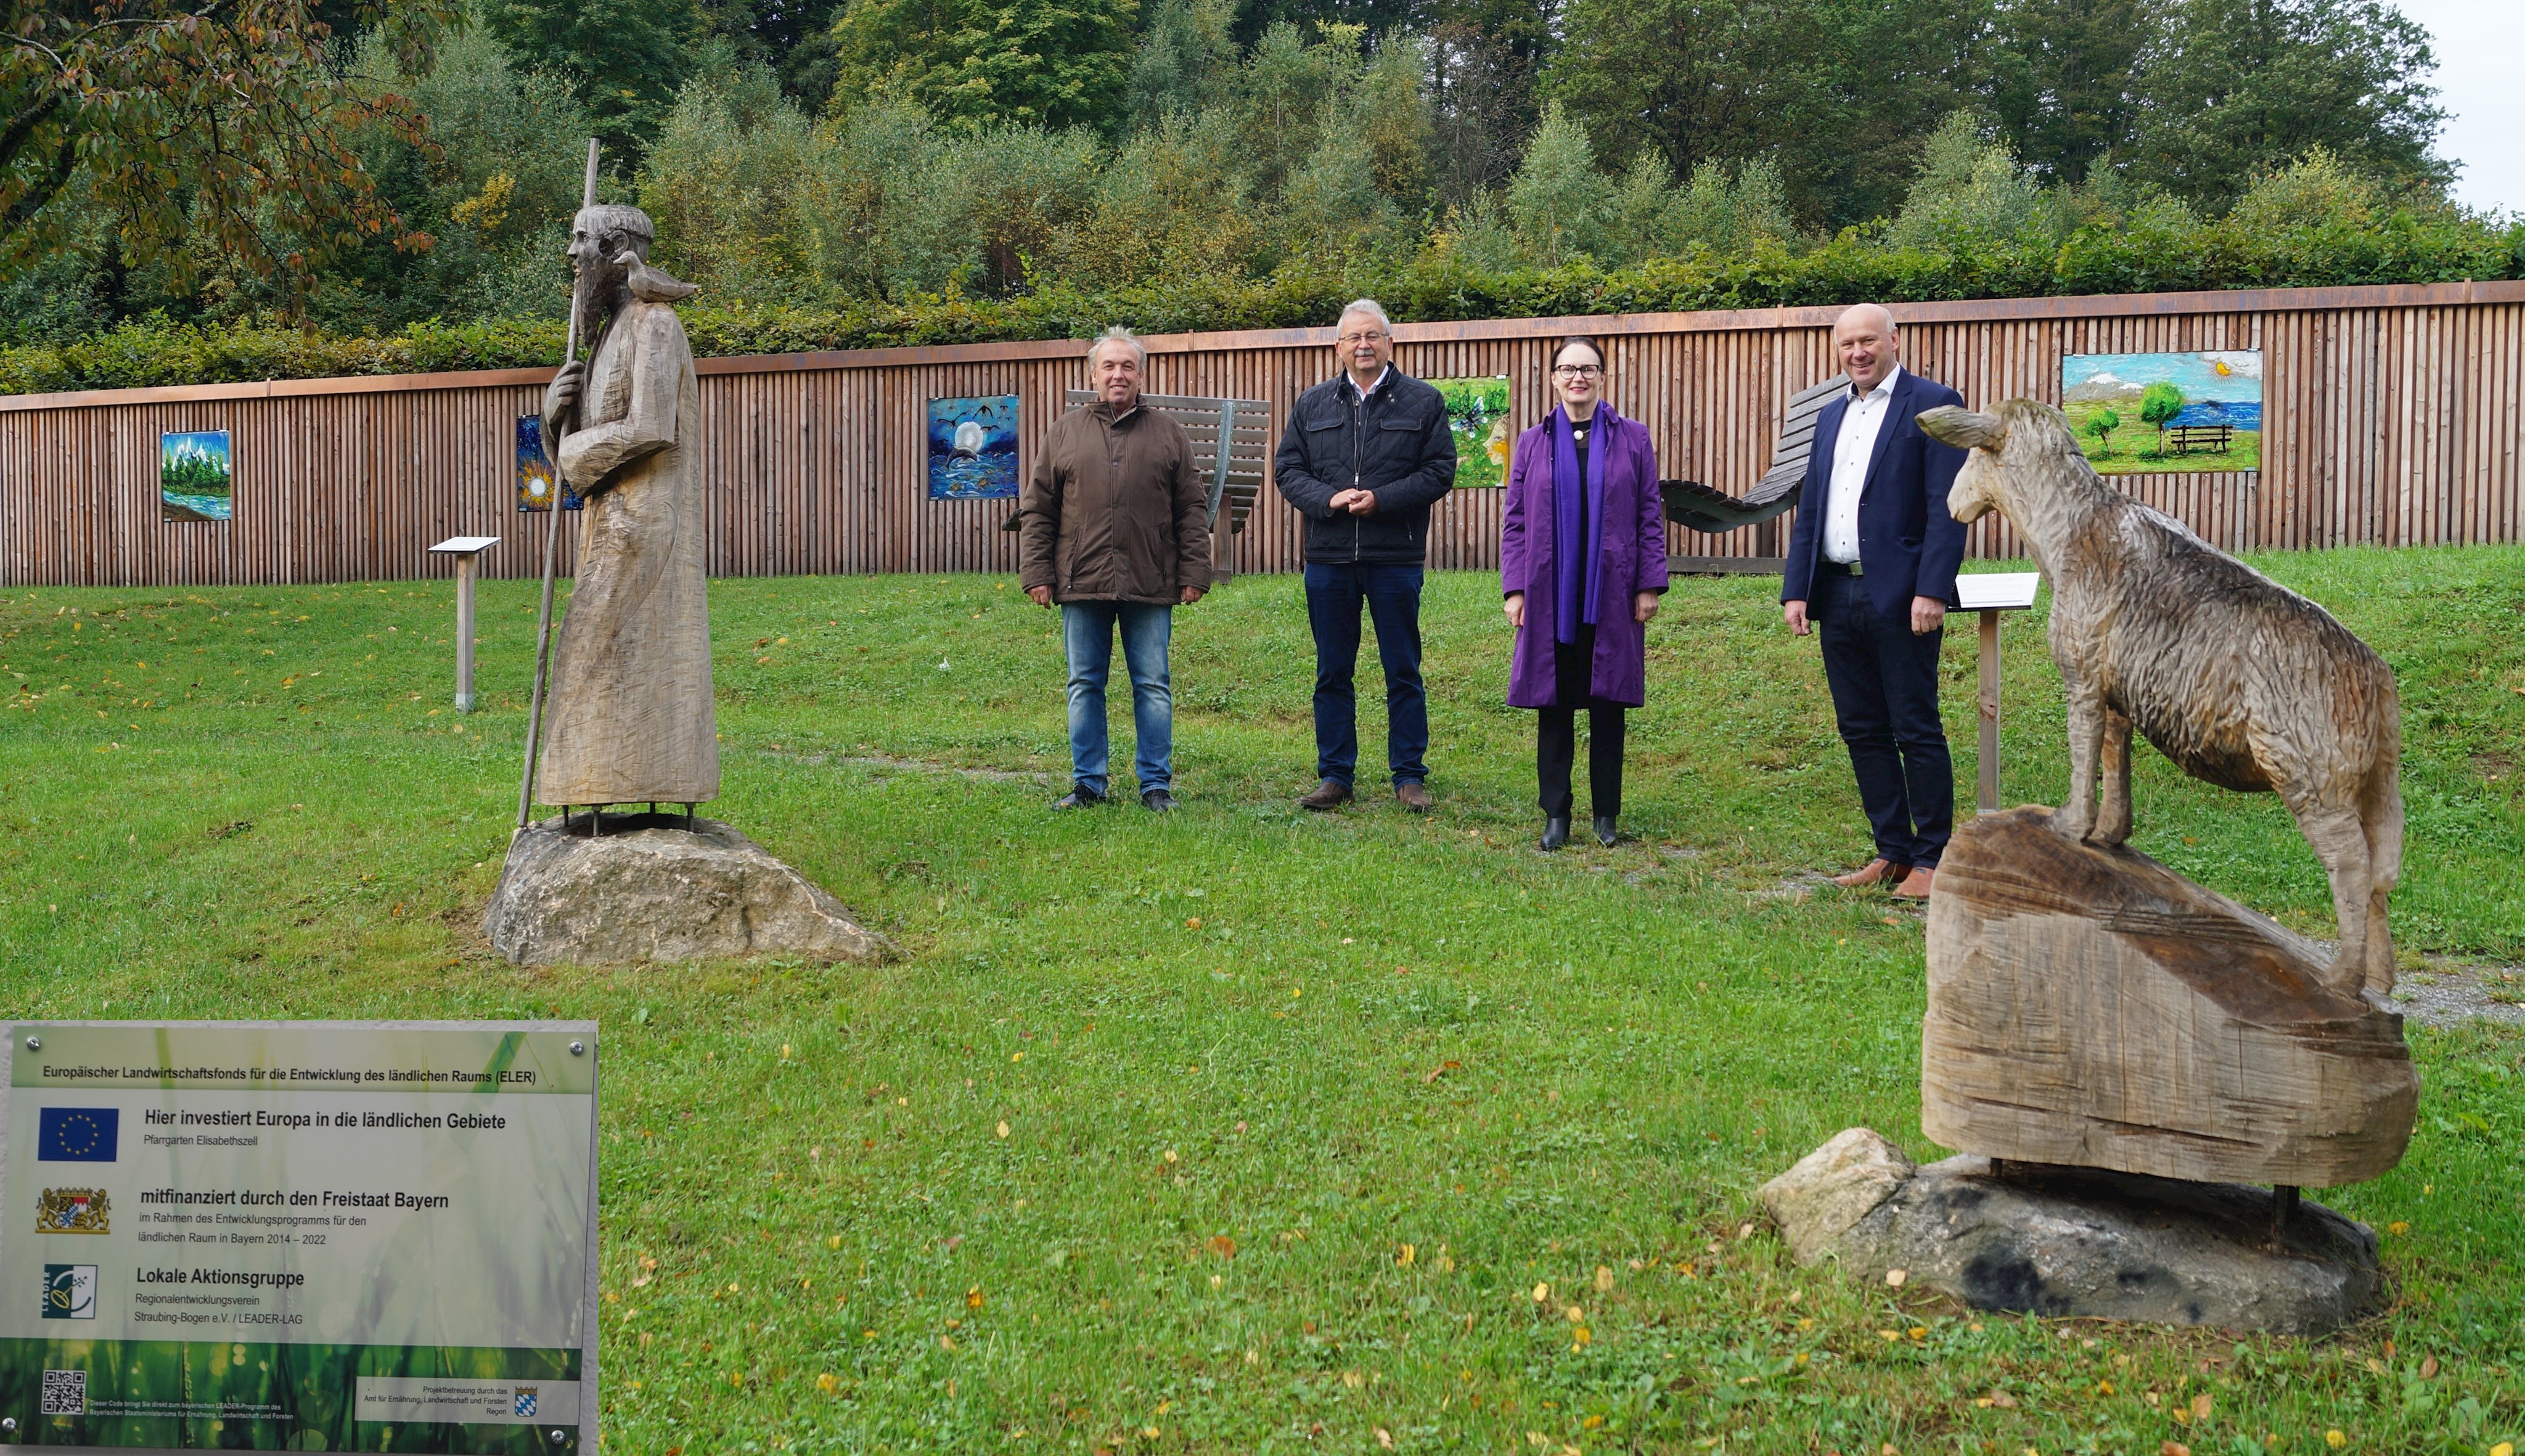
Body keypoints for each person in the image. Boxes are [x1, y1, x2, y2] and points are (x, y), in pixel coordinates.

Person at [1780, 303, 1970, 898]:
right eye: (1847, 345)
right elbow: (1812, 506)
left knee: (1914, 726)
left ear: (1894, 340)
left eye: (1868, 341)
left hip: (1903, 595)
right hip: (1836, 591)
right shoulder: (1833, 416)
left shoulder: (1935, 405)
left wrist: (1933, 589)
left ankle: (1932, 859)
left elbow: (1950, 506)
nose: (1857, 353)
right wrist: (1796, 590)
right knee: (1861, 727)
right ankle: (1891, 850)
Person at [536, 202, 716, 817]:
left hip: (645, 527)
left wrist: (573, 450)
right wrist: (554, 420)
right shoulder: (610, 331)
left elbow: (648, 427)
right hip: (611, 524)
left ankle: (628, 777)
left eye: (582, 240)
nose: (572, 255)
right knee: (589, 660)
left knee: (604, 656)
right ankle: (590, 788)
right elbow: (590, 446)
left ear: (616, 251)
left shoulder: (654, 323)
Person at [1272, 299, 1457, 812]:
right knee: (1333, 671)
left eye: (1372, 336)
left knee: (1403, 669)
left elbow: (1440, 470)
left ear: (1390, 342)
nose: (1363, 345)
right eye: (1353, 337)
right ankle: (1335, 776)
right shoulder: (1312, 404)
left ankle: (1409, 777)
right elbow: (1288, 470)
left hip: (1395, 557)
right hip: (1328, 558)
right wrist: (1328, 500)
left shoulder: (1422, 402)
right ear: (1338, 346)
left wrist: (1383, 500)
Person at [1019, 327, 1213, 811]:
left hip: (1150, 580)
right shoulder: (1064, 432)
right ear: (1093, 375)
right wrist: (1037, 573)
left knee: (1153, 684)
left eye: (1127, 366)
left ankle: (1156, 786)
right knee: (1085, 685)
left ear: (1141, 374)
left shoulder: (1168, 433)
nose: (1118, 374)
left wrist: (1194, 572)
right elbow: (1039, 508)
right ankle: (1089, 784)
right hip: (1081, 581)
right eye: (1109, 366)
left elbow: (1192, 508)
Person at [1500, 337, 1668, 849]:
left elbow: (1648, 515)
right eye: (1568, 369)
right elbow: (1516, 522)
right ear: (1553, 378)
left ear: (1602, 377)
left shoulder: (1633, 438)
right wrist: (1515, 590)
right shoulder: (1532, 442)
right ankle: (1556, 816)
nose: (1578, 378)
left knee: (1606, 704)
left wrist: (1648, 583)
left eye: (1588, 369)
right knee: (1554, 705)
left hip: (1612, 592)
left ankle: (1606, 816)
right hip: (1549, 593)